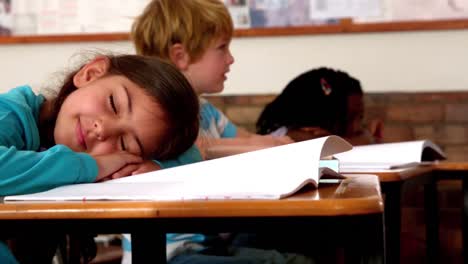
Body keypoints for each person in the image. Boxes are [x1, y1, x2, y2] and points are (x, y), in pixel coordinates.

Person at [121, 0, 295, 263]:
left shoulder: (206, 111)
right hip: (170, 254)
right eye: (222, 47)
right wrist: (270, 146)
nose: (231, 58)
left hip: (209, 245)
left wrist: (279, 142)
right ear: (180, 56)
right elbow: (204, 147)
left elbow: (248, 140)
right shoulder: (157, 118)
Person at [0, 53, 200, 263]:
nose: (103, 130)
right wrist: (93, 165)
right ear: (90, 74)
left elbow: (192, 157)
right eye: (113, 104)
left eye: (124, 143)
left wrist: (153, 167)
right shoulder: (9, 113)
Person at [256, 67, 383, 146]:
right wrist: (368, 137)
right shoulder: (292, 136)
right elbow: (352, 145)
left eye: (360, 117)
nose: (356, 127)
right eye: (347, 119)